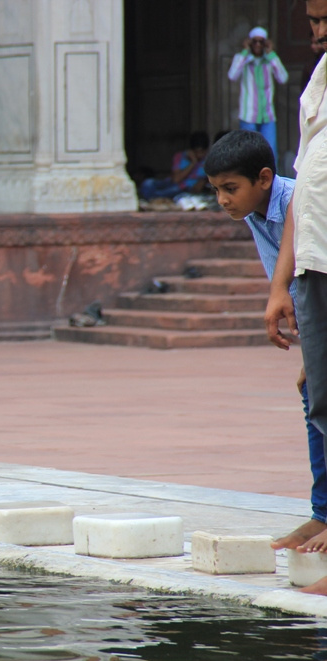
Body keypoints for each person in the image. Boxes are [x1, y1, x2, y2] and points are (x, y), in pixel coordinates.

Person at [205, 130, 327, 554]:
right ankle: (322, 513)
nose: (222, 199)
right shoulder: (257, 214)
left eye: (230, 188)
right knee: (315, 403)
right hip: (316, 321)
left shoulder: (301, 198)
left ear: (263, 178)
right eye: (216, 190)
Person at [264, 0, 327, 595]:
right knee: (320, 394)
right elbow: (305, 191)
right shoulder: (316, 84)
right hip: (314, 262)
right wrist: (282, 284)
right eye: (312, 22)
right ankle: (326, 512)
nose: (319, 33)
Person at [228, 26, 288, 161]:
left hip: (268, 116)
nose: (258, 45)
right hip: (248, 116)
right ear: (250, 42)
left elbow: (283, 78)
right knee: (249, 153)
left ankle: (271, 180)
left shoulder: (270, 61)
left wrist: (271, 53)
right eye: (254, 41)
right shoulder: (243, 59)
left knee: (270, 152)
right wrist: (245, 51)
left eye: (261, 42)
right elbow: (232, 75)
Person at [137, 131, 210, 201]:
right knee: (148, 183)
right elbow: (176, 179)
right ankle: (153, 198)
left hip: (184, 190)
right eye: (196, 152)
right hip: (170, 184)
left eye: (202, 152)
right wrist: (193, 163)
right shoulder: (180, 156)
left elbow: (200, 187)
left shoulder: (207, 161)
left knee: (174, 190)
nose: (199, 155)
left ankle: (153, 199)